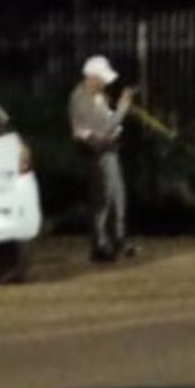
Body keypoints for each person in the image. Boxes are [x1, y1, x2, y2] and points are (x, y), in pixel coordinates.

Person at [69, 55, 137, 262]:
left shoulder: (98, 96)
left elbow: (110, 124)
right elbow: (103, 128)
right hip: (97, 153)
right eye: (101, 79)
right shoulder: (80, 99)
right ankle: (100, 244)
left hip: (109, 150)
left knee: (117, 197)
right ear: (91, 77)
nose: (104, 83)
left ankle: (117, 240)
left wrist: (116, 117)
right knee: (102, 199)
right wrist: (123, 108)